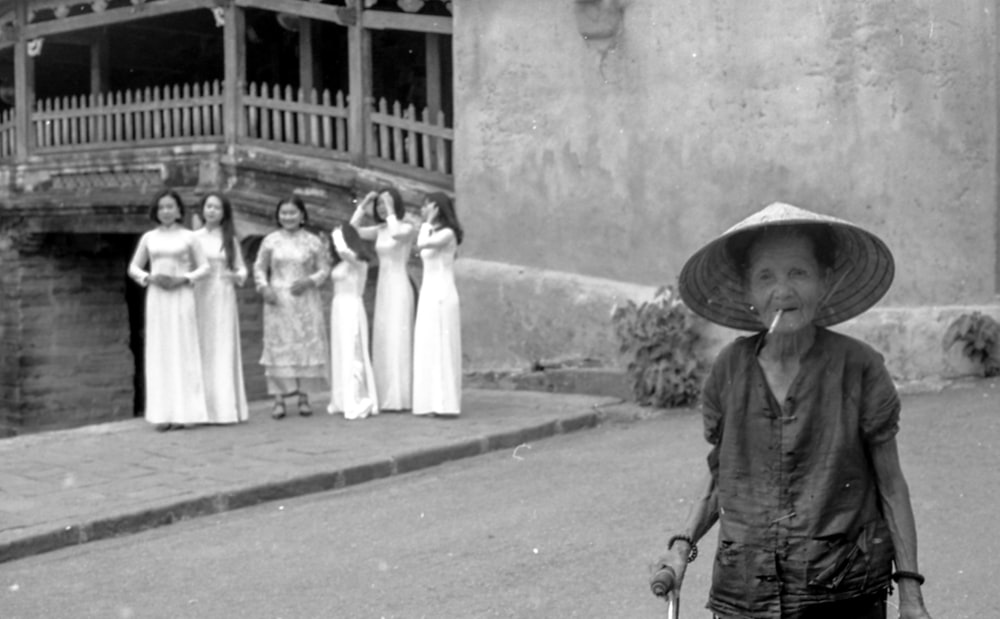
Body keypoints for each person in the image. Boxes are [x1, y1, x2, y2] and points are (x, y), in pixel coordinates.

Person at [652, 202, 932, 619]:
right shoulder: (728, 370)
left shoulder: (860, 368)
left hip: (841, 595)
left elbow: (891, 486)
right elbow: (720, 477)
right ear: (749, 292)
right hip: (745, 597)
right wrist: (680, 547)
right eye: (766, 276)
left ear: (826, 282)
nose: (782, 291)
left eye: (798, 273)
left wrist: (910, 594)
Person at [127, 189, 210, 432]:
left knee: (183, 348)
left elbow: (204, 268)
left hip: (181, 295)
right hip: (158, 297)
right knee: (160, 351)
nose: (166, 211)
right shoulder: (149, 238)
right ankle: (162, 413)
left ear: (179, 210)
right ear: (156, 211)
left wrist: (184, 278)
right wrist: (149, 277)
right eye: (162, 207)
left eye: (170, 207)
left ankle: (185, 412)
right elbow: (133, 267)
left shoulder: (189, 237)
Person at [253, 196, 330, 419]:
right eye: (284, 213)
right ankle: (279, 400)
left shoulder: (313, 241)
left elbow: (324, 269)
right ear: (278, 216)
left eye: (292, 212)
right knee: (279, 348)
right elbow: (259, 267)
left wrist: (309, 281)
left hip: (304, 298)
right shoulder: (270, 241)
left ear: (302, 215)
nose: (288, 217)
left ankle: (304, 397)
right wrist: (264, 287)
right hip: (277, 299)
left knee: (303, 347)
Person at [350, 186, 417, 411]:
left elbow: (396, 234)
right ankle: (385, 395)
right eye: (377, 205)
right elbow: (349, 230)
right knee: (384, 337)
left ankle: (401, 397)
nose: (380, 208)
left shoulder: (406, 227)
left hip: (399, 285)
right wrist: (363, 204)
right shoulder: (379, 230)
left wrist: (389, 209)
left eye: (384, 203)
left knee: (399, 337)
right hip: (383, 288)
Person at [193, 192, 249, 424]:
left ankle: (223, 408)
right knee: (200, 346)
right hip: (199, 295)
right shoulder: (193, 238)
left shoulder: (229, 240)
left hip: (223, 295)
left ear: (224, 212)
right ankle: (200, 408)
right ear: (203, 210)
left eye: (217, 207)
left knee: (221, 346)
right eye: (208, 206)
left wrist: (233, 275)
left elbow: (242, 270)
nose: (212, 211)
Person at [412, 192, 463, 417]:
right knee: (429, 343)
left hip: (442, 292)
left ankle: (446, 403)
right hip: (428, 292)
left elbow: (421, 245)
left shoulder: (447, 233)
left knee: (442, 344)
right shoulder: (433, 231)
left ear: (438, 209)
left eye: (427, 206)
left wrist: (427, 223)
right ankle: (429, 401)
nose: (423, 210)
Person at [327, 223, 378, 420]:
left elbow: (343, 249)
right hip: (338, 307)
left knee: (352, 351)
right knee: (341, 351)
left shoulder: (359, 262)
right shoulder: (340, 263)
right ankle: (341, 399)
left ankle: (357, 399)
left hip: (351, 307)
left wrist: (338, 232)